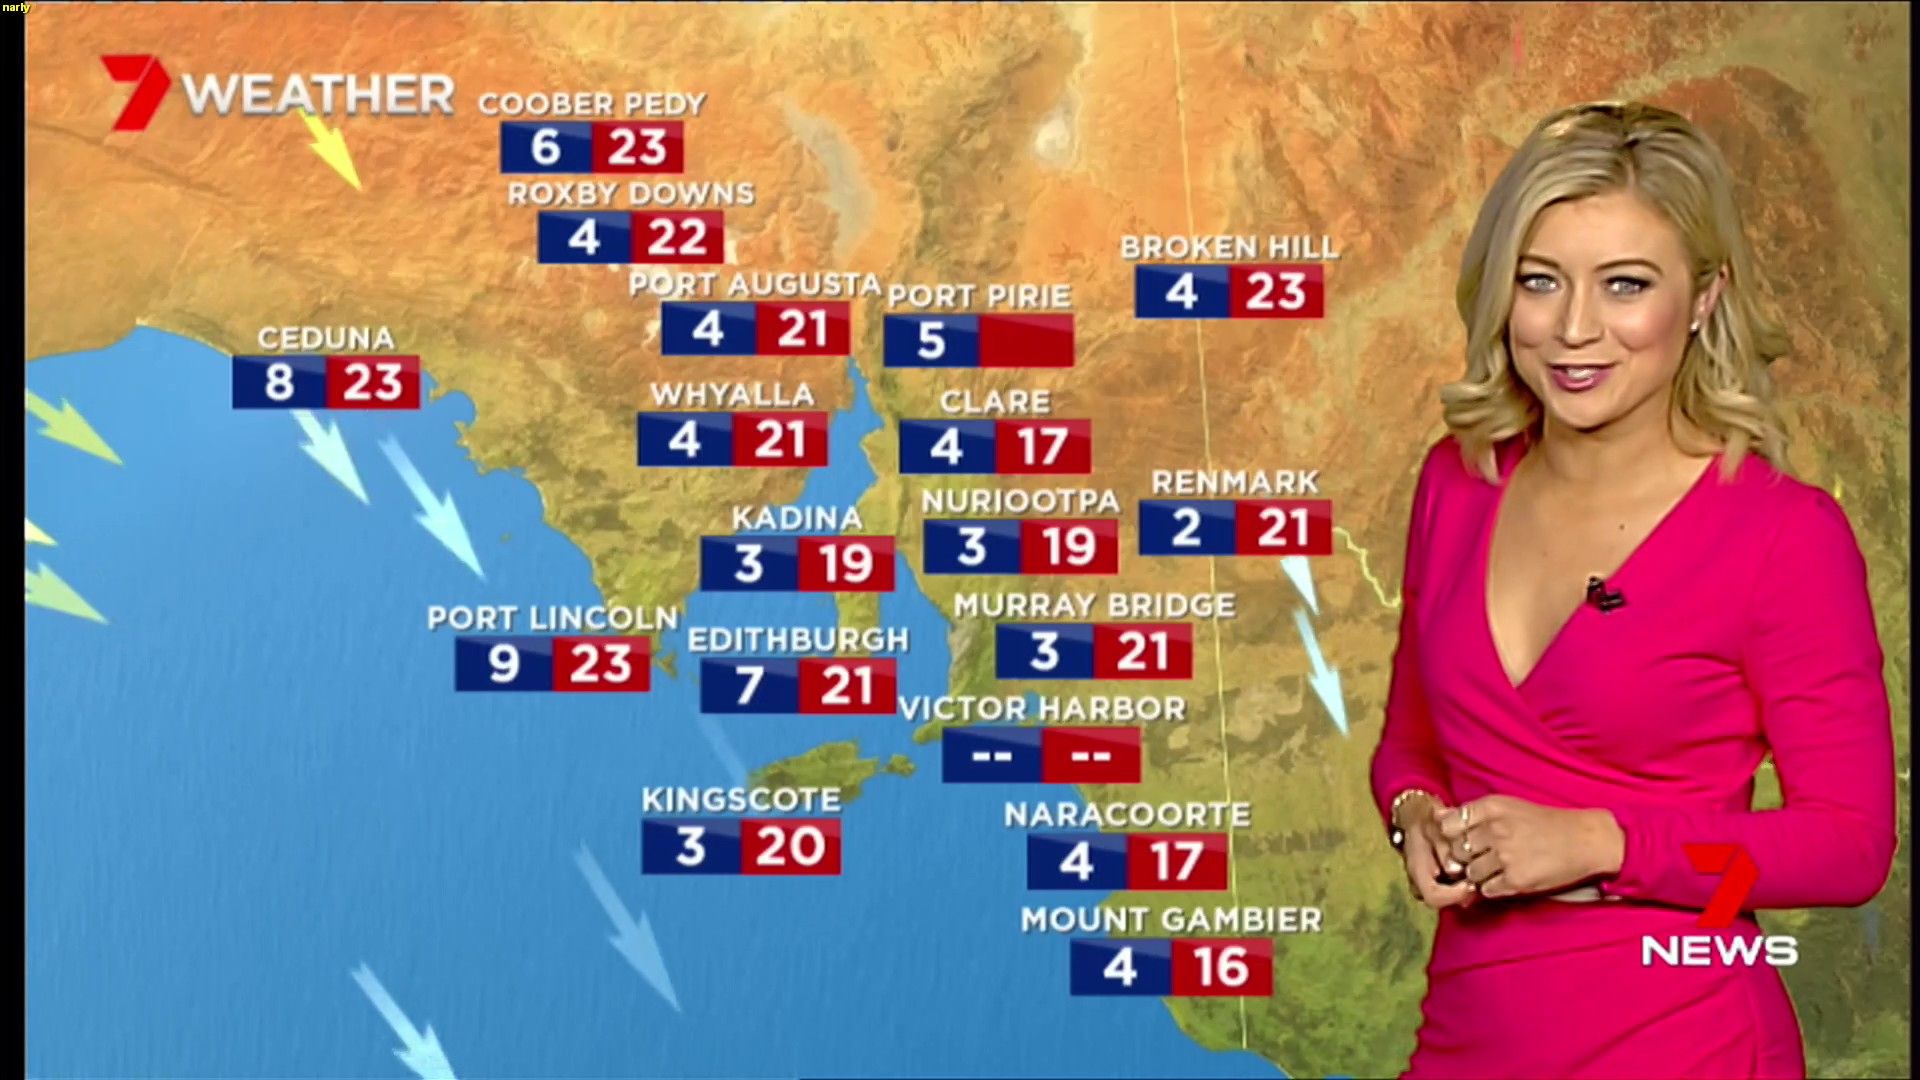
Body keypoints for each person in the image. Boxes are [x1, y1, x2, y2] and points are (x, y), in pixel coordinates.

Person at [1369, 101, 1896, 1079]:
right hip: (1469, 1033)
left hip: (1689, 1038)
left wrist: (1604, 844)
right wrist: (1413, 814)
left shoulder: (1783, 536)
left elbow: (1849, 846)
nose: (1575, 329)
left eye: (1626, 285)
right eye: (1540, 281)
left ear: (1702, 298)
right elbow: (1413, 740)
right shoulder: (1458, 480)